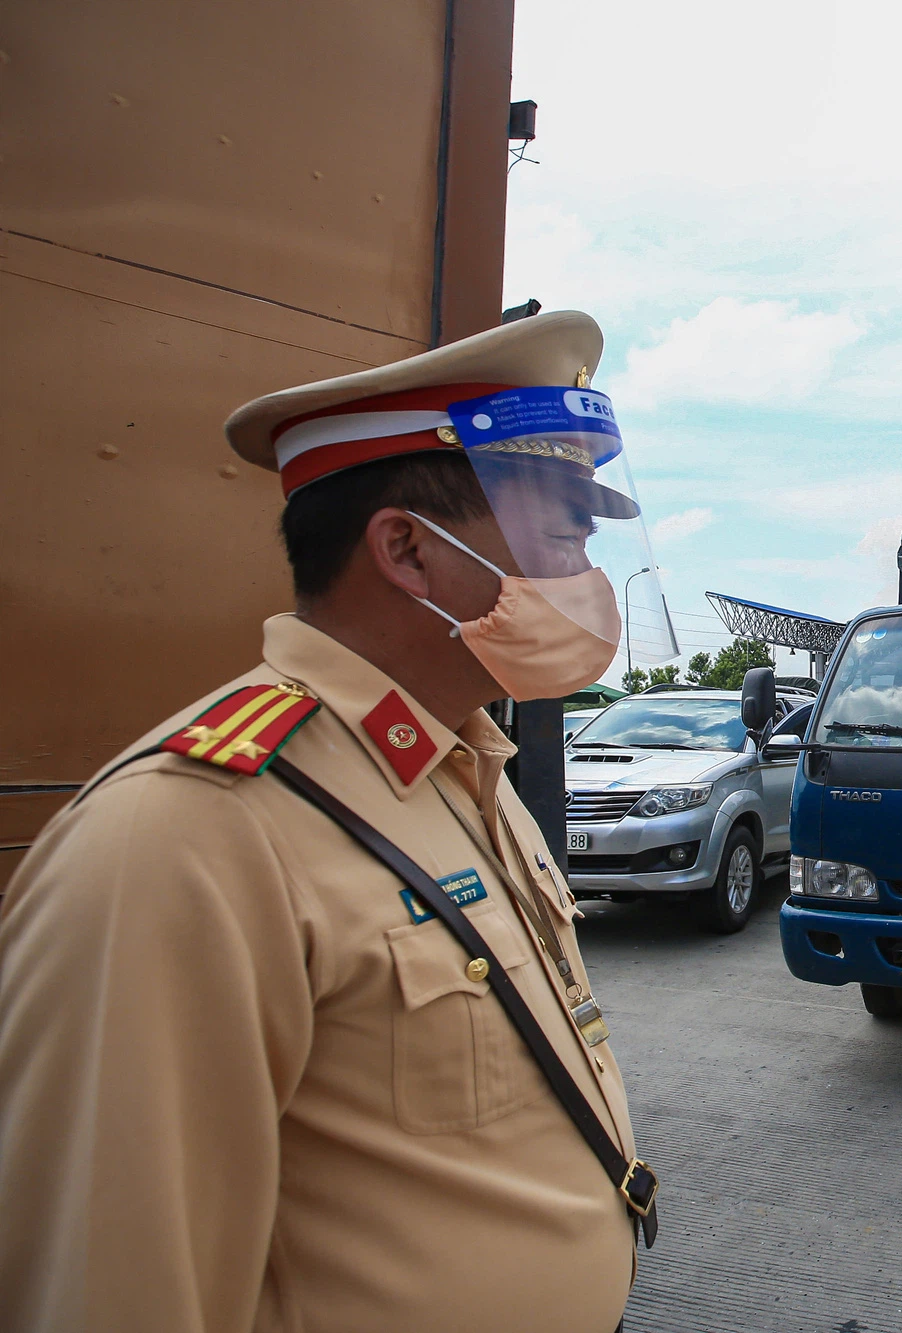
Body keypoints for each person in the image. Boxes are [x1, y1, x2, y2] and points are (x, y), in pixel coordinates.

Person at [0, 312, 657, 1332]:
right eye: (564, 526)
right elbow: (113, 1286)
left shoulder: (463, 764)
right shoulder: (186, 836)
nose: (588, 568)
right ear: (406, 548)